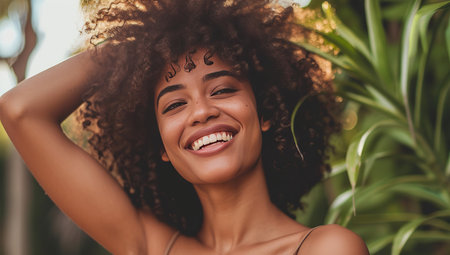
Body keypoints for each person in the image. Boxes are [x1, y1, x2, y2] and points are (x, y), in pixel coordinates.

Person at [0, 0, 369, 254]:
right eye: (175, 104)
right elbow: (20, 110)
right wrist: (137, 46)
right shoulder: (147, 245)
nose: (201, 112)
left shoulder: (326, 248)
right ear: (159, 142)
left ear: (266, 111)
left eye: (222, 89)